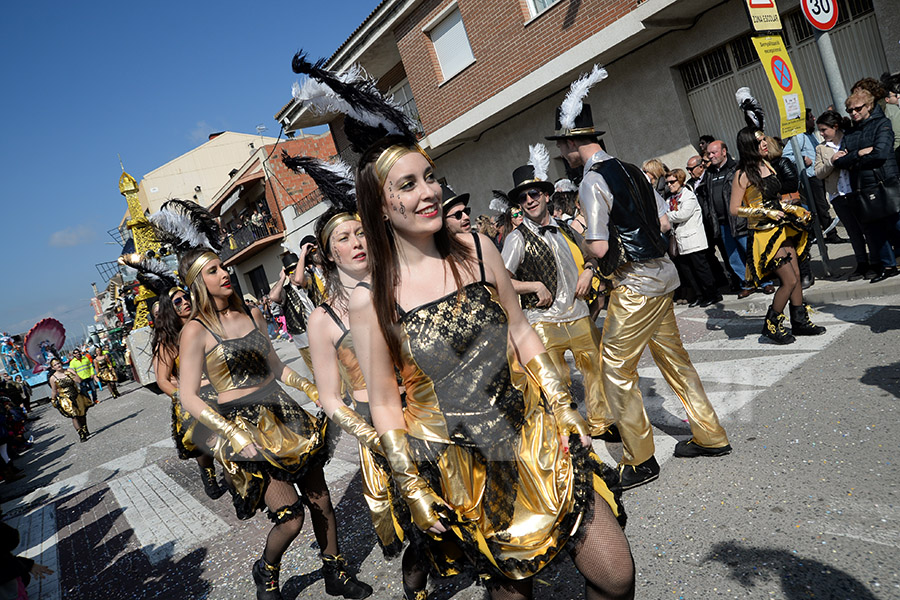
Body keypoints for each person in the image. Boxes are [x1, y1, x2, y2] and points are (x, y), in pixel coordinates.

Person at [291, 54, 633, 600]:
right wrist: (410, 485)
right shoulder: (369, 298)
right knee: (512, 587)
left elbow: (521, 332)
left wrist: (566, 410)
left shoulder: (477, 248)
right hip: (466, 464)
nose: (428, 192)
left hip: (538, 435)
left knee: (616, 575)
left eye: (429, 176)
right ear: (380, 205)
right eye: (407, 185)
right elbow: (383, 401)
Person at [152, 199, 371, 600]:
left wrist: (311, 391)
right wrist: (231, 435)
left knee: (321, 500)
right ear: (199, 282)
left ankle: (335, 573)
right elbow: (187, 396)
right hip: (242, 425)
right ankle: (266, 570)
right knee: (290, 517)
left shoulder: (251, 315)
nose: (225, 273)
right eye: (214, 270)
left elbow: (275, 367)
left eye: (222, 267)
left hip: (283, 412)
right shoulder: (195, 331)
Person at [549, 67, 731, 490]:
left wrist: (570, 227)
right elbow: (665, 221)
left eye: (564, 146)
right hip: (662, 277)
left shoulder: (593, 180)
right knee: (675, 359)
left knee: (614, 367)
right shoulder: (632, 169)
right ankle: (710, 434)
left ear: (575, 143)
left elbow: (595, 247)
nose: (564, 154)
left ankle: (640, 459)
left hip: (634, 284)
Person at [501, 144, 616, 440]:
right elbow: (501, 281)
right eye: (523, 198)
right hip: (542, 321)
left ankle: (601, 422)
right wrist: (532, 286)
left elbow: (592, 254)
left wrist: (589, 270)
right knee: (555, 380)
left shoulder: (566, 229)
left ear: (546, 196)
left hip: (577, 313)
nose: (529, 200)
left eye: (534, 194)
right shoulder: (516, 238)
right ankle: (567, 430)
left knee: (596, 369)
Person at [120, 252, 228, 501]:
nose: (184, 303)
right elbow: (162, 380)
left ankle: (235, 476)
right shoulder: (168, 341)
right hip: (192, 400)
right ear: (170, 309)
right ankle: (208, 473)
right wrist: (186, 396)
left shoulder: (203, 326)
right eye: (177, 302)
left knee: (226, 439)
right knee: (203, 442)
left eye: (185, 298)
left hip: (219, 392)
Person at [730, 127, 826, 343]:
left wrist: (791, 209)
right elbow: (734, 209)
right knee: (789, 280)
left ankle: (800, 322)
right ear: (749, 146)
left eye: (764, 139)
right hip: (764, 234)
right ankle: (771, 325)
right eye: (760, 141)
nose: (765, 143)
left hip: (782, 227)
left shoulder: (766, 164)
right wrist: (765, 212)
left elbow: (775, 197)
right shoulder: (742, 174)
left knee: (798, 276)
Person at [833, 88, 900, 283]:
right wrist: (859, 153)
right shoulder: (851, 132)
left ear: (869, 106)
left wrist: (853, 158)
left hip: (885, 181)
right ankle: (889, 266)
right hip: (862, 187)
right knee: (875, 230)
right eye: (850, 110)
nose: (853, 113)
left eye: (857, 108)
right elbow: (839, 162)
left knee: (896, 224)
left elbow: (880, 154)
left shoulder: (882, 123)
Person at [815, 110, 877, 281]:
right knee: (853, 231)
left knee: (867, 228)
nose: (822, 133)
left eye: (824, 129)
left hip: (856, 190)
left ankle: (875, 262)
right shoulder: (822, 148)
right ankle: (861, 263)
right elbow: (818, 173)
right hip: (838, 195)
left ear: (835, 127)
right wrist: (831, 160)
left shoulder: (850, 138)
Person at [665, 169, 721, 306]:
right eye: (667, 183)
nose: (669, 185)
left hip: (693, 240)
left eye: (672, 182)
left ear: (680, 181)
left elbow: (682, 214)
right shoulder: (670, 199)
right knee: (689, 272)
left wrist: (666, 216)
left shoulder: (688, 195)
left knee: (701, 269)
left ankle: (713, 294)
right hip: (681, 242)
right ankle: (700, 295)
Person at [783, 108, 841, 242]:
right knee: (821, 207)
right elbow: (786, 156)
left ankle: (819, 233)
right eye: (810, 117)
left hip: (819, 176)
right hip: (811, 178)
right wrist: (802, 158)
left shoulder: (810, 135)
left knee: (822, 206)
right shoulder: (799, 136)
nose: (813, 119)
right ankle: (831, 234)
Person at [706, 140, 753, 297]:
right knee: (734, 257)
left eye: (714, 152)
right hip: (722, 223)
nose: (711, 156)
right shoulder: (709, 174)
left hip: (739, 220)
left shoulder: (736, 168)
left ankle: (763, 282)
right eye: (709, 153)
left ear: (724, 152)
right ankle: (746, 283)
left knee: (750, 252)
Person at [48, 357, 92, 441]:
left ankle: (84, 428)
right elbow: (54, 391)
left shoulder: (69, 370)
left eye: (58, 363)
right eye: (55, 365)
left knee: (82, 415)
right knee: (74, 416)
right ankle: (81, 434)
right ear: (53, 368)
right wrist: (53, 400)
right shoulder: (53, 378)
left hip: (76, 395)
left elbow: (78, 380)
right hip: (65, 399)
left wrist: (71, 374)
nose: (58, 365)